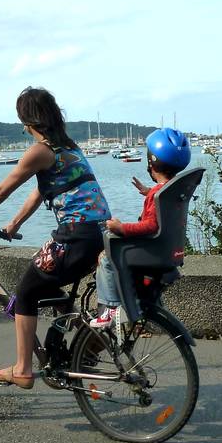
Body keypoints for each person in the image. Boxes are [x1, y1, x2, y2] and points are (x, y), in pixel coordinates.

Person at [0, 87, 111, 389]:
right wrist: (14, 223)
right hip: (98, 234)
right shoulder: (69, 148)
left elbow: (0, 191)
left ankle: (22, 369)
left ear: (27, 120)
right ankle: (79, 341)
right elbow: (41, 191)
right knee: (49, 284)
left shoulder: (39, 151)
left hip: (75, 235)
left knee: (25, 292)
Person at [90, 128, 191, 328]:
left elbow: (151, 225)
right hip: (168, 251)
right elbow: (162, 210)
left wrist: (121, 228)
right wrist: (149, 192)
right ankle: (151, 307)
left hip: (151, 251)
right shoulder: (171, 190)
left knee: (106, 258)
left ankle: (109, 309)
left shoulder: (158, 194)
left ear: (151, 162)